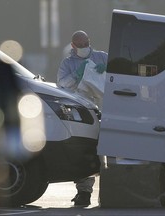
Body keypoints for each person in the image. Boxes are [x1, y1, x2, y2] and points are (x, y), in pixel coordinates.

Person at [57, 30, 108, 207]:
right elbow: (62, 85)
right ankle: (84, 192)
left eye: (86, 44)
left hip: (105, 111)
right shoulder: (68, 64)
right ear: (73, 46)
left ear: (89, 41)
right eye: (80, 45)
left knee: (108, 153)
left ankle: (110, 191)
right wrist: (77, 76)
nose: (84, 47)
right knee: (85, 153)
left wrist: (106, 71)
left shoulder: (102, 58)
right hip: (82, 113)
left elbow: (118, 76)